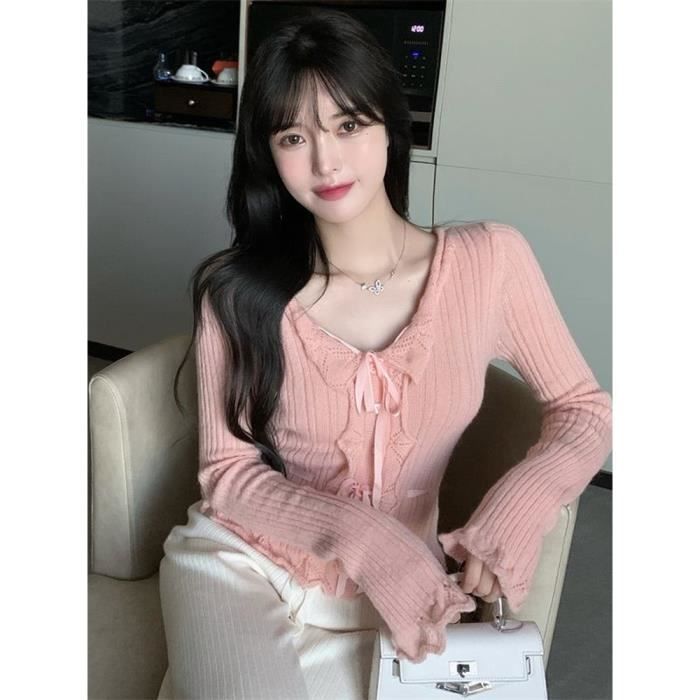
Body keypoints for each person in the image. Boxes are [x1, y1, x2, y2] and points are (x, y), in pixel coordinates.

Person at [159, 8, 613, 699]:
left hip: (405, 593)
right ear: (267, 154)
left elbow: (583, 409)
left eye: (348, 125)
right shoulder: (236, 291)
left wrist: (519, 506)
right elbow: (227, 474)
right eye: (293, 136)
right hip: (242, 566)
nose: (326, 162)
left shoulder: (489, 262)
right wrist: (365, 539)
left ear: (389, 127)